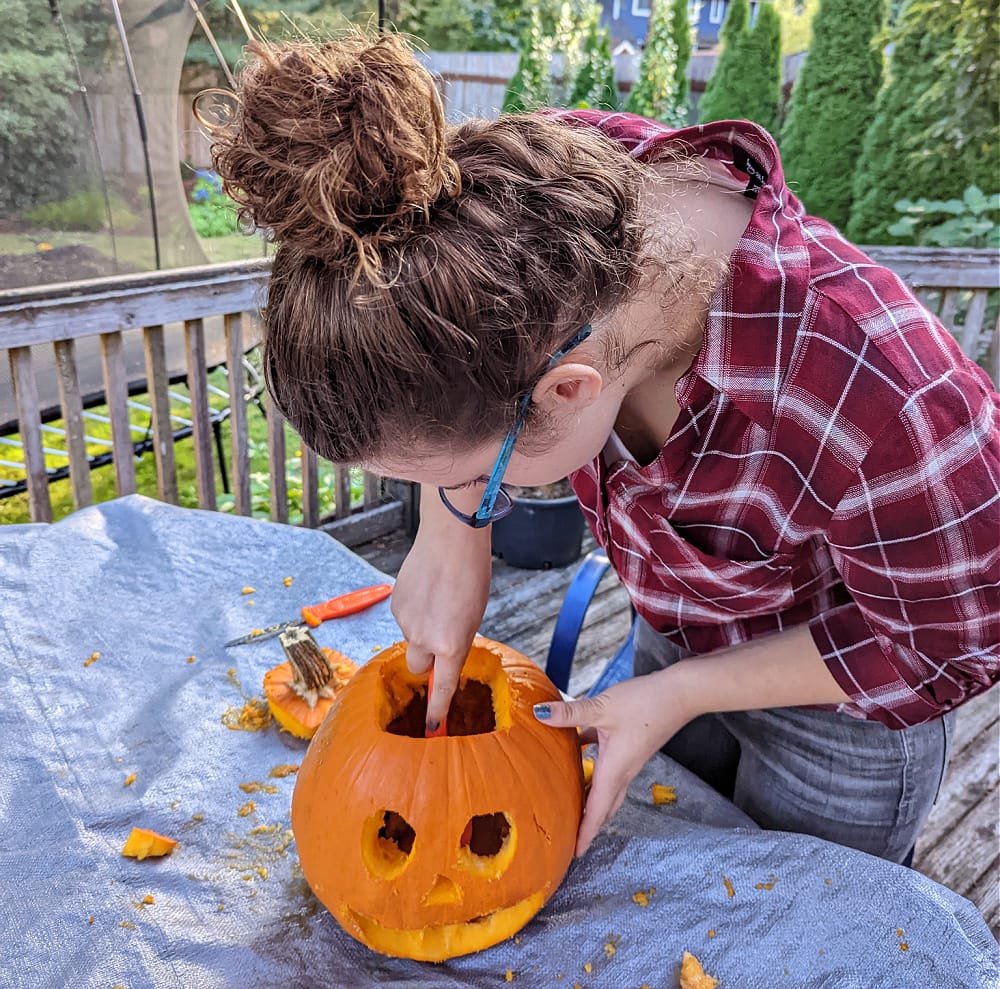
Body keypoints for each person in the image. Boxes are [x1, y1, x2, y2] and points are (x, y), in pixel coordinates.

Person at [208, 32, 999, 862]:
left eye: (479, 479)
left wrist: (681, 692)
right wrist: (451, 531)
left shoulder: (899, 401)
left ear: (571, 389)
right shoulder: (508, 207)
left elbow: (945, 644)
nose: (466, 495)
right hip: (672, 624)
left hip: (843, 708)